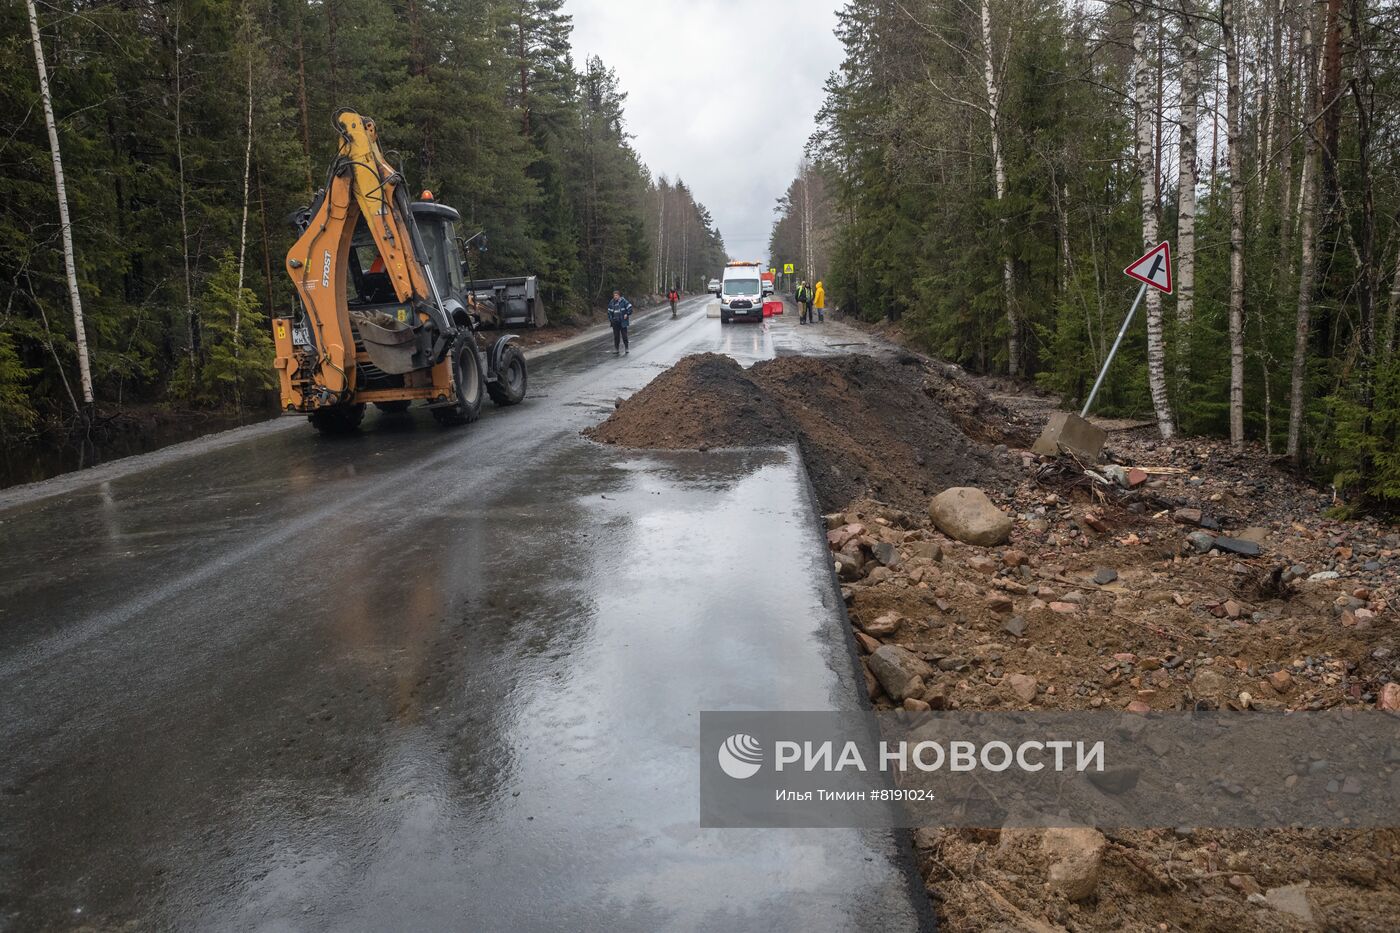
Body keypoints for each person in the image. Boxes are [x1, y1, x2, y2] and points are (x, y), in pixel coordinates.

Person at [607, 289, 633, 354]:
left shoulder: (623, 301)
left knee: (624, 336)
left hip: (623, 322)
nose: (615, 296)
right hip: (615, 322)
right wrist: (611, 319)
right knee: (616, 336)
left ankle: (626, 348)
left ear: (619, 296)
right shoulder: (611, 302)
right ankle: (616, 349)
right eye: (614, 295)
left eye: (616, 295)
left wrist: (627, 314)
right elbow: (609, 312)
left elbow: (630, 308)